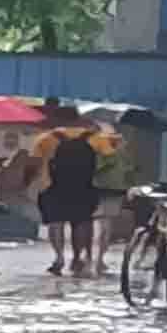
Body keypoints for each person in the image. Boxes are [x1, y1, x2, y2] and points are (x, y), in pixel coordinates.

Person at [31, 108, 119, 277]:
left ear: (57, 119)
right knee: (81, 222)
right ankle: (78, 257)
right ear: (78, 119)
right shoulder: (95, 138)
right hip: (84, 186)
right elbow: (111, 160)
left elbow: (34, 163)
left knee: (55, 222)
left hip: (52, 186)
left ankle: (59, 257)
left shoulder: (45, 139)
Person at [90, 122, 135, 277]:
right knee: (105, 225)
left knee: (100, 225)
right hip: (114, 190)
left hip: (100, 189)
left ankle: (96, 257)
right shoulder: (122, 153)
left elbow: (95, 168)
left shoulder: (100, 151)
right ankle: (99, 258)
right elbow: (129, 171)